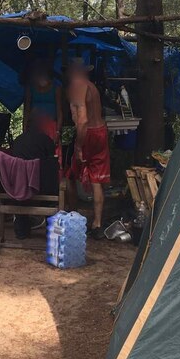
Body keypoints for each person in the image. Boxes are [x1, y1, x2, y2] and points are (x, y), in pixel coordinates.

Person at [66, 58, 110, 240]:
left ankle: (73, 214)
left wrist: (78, 145)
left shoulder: (78, 86)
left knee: (69, 173)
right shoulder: (92, 87)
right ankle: (97, 223)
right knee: (96, 178)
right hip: (101, 131)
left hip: (88, 133)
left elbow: (82, 119)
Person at [10, 110, 59, 239]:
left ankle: (21, 232)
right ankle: (51, 232)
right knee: (51, 173)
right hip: (41, 187)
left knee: (20, 195)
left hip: (19, 188)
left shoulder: (17, 141)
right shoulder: (45, 140)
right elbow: (52, 162)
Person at [23, 58, 62, 143]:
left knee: (50, 152)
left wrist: (58, 131)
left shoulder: (56, 88)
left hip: (51, 125)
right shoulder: (30, 88)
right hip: (35, 125)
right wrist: (24, 130)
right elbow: (26, 110)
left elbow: (59, 112)